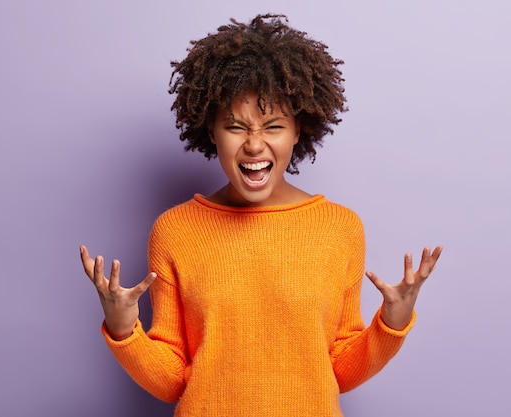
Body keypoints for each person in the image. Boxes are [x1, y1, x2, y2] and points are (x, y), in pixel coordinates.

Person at [80, 13, 442, 417]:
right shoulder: (176, 230)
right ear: (212, 130)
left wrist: (393, 320)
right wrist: (122, 327)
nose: (254, 145)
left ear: (297, 130)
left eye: (273, 126)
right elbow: (172, 382)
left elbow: (338, 370)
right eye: (235, 126)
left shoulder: (339, 228)